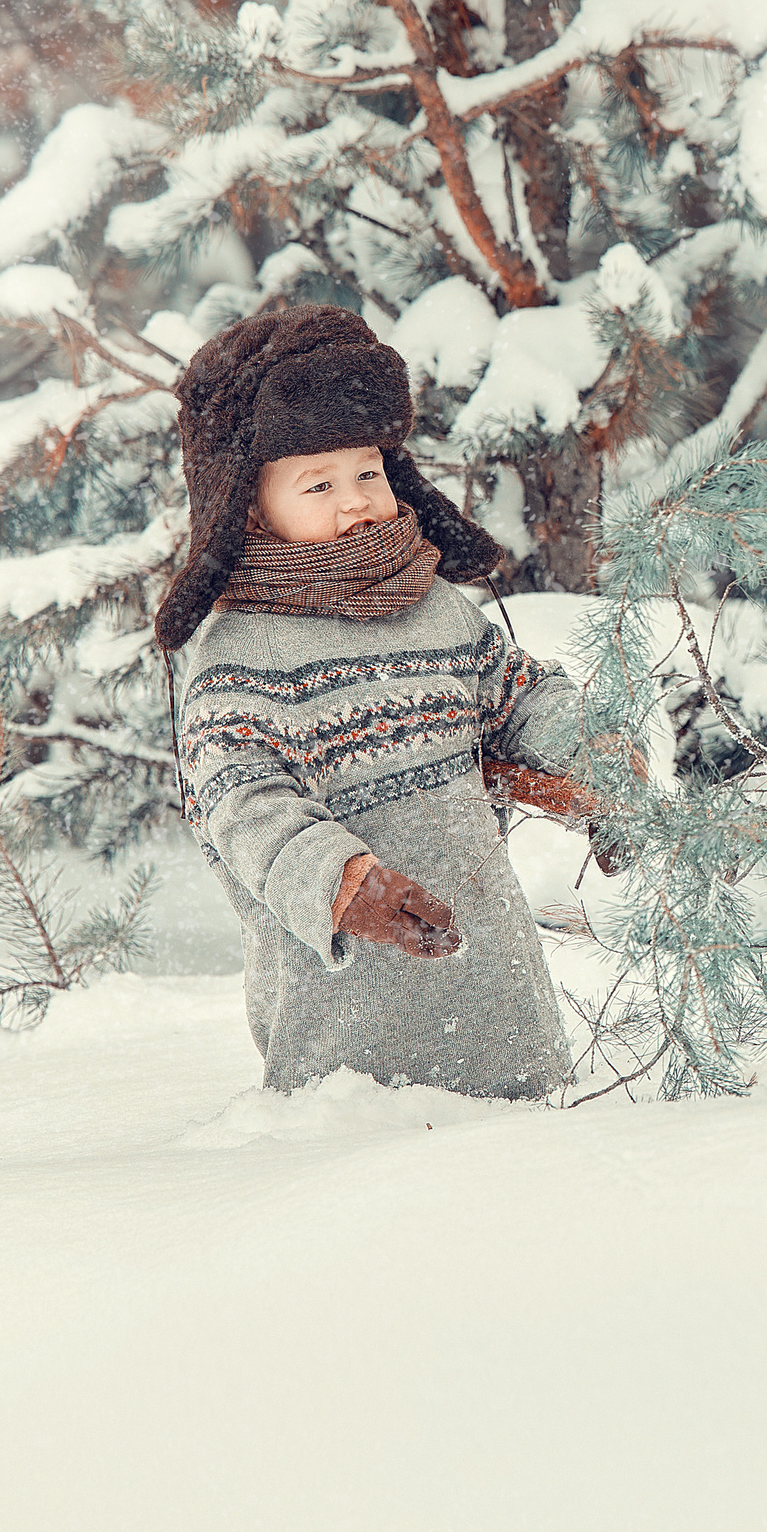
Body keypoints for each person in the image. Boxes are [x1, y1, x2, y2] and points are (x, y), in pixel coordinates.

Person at [154, 303, 585, 1100]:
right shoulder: (238, 656)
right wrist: (343, 881)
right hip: (344, 1068)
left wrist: (595, 756)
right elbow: (243, 804)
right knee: (379, 1161)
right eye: (318, 483)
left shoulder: (434, 608)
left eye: (367, 473)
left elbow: (521, 694)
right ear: (249, 506)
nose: (354, 500)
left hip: (500, 1021)